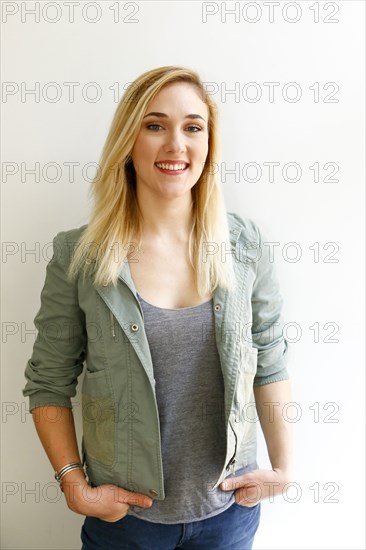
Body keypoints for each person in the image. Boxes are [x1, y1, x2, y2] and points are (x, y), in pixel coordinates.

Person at [22, 65, 294, 550]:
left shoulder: (244, 245)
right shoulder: (78, 256)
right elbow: (48, 382)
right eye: (155, 125)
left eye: (192, 127)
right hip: (125, 524)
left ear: (209, 144)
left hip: (229, 515)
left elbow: (270, 360)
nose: (175, 144)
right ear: (129, 140)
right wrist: (73, 484)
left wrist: (284, 469)